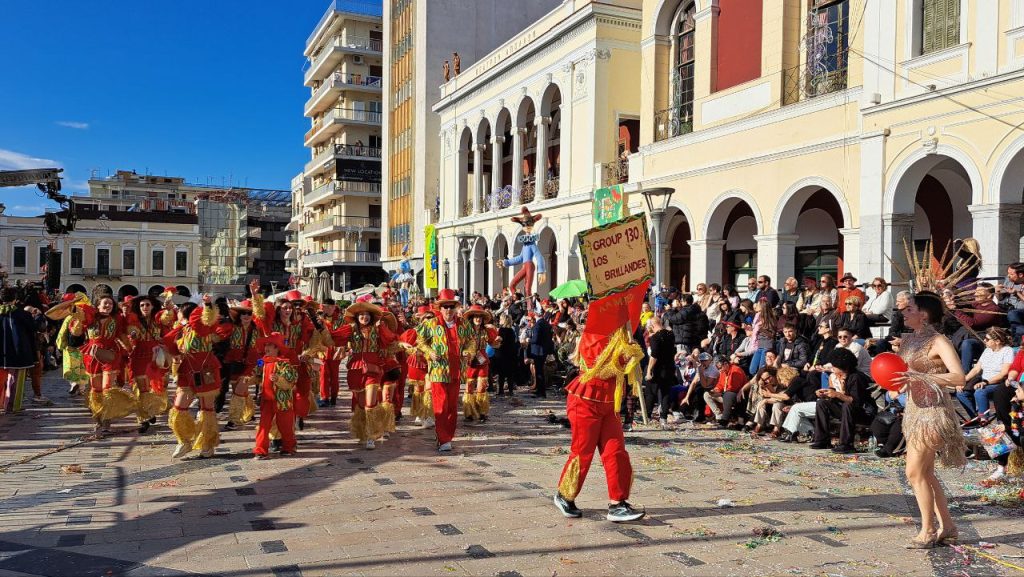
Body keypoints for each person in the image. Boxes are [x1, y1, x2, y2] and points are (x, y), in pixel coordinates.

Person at [891, 291, 967, 549]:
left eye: (909, 309)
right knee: (927, 473)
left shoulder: (938, 341)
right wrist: (897, 384)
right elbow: (904, 375)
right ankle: (948, 526)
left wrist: (921, 377)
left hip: (933, 412)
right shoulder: (908, 341)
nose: (903, 312)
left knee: (914, 472)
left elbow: (958, 378)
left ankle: (928, 530)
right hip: (913, 410)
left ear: (923, 314)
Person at [554, 326, 646, 523]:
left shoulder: (622, 332)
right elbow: (599, 366)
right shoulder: (592, 333)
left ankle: (618, 503)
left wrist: (634, 356)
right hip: (585, 401)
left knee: (616, 451)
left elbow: (627, 371)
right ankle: (565, 495)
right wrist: (626, 355)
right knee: (583, 452)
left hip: (609, 403)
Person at [165, 297, 228, 458]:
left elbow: (208, 318)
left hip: (206, 371)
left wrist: (207, 305)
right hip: (187, 371)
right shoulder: (181, 329)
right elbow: (172, 346)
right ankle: (185, 441)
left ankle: (207, 444)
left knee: (207, 409)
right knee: (179, 408)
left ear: (184, 312)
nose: (177, 313)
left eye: (179, 310)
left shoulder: (201, 327)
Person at [330, 299, 397, 449]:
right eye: (361, 315)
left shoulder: (378, 328)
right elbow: (332, 337)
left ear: (371, 316)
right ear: (356, 316)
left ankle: (371, 435)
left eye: (367, 315)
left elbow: (391, 339)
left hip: (373, 368)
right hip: (355, 369)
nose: (364, 317)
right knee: (360, 404)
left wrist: (384, 328)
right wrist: (320, 326)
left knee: (370, 402)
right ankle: (363, 432)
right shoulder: (350, 328)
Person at [416, 288, 475, 452]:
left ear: (455, 307)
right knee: (441, 407)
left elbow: (471, 341)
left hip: (456, 371)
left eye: (451, 306)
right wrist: (429, 352)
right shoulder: (431, 323)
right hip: (438, 372)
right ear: (440, 308)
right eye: (445, 306)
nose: (448, 310)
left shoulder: (463, 324)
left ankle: (447, 436)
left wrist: (468, 351)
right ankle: (443, 439)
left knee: (452, 408)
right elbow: (420, 341)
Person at [69, 292, 135, 435]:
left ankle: (107, 421)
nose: (108, 306)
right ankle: (98, 418)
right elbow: (76, 333)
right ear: (97, 305)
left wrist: (130, 349)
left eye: (110, 303)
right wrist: (78, 318)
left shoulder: (117, 319)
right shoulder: (89, 317)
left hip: (111, 354)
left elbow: (121, 335)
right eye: (105, 303)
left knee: (107, 388)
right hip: (92, 355)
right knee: (96, 390)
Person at [809, 348, 875, 454]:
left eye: (835, 366)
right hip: (846, 411)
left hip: (862, 412)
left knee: (847, 405)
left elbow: (855, 401)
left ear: (843, 366)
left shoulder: (856, 377)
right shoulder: (836, 376)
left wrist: (837, 395)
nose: (833, 368)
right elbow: (835, 394)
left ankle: (846, 443)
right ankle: (822, 439)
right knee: (822, 403)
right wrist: (826, 393)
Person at [125, 296, 171, 434]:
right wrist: (132, 334)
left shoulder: (159, 320)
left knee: (156, 386)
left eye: (147, 305)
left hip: (155, 356)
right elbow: (131, 332)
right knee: (142, 388)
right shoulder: (135, 321)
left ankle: (150, 411)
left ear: (152, 306)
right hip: (139, 356)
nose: (145, 307)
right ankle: (143, 418)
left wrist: (168, 309)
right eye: (142, 305)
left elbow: (168, 329)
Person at [252, 333, 298, 459]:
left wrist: (278, 379)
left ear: (277, 348)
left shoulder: (284, 364)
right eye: (266, 345)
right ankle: (260, 450)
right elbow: (256, 375)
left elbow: (291, 381)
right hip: (267, 400)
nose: (267, 348)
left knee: (285, 425)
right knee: (263, 425)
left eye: (270, 345)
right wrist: (249, 380)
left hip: (282, 401)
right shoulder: (262, 362)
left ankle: (289, 446)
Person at [957, 327, 1014, 419]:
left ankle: (983, 418)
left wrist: (986, 382)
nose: (984, 340)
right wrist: (962, 381)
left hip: (998, 383)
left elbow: (1003, 374)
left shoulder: (1007, 351)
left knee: (980, 392)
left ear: (997, 341)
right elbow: (976, 369)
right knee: (961, 392)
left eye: (987, 339)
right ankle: (975, 417)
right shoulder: (987, 350)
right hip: (983, 380)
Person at [223, 300, 259, 431]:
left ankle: (234, 420)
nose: (246, 315)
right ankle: (250, 412)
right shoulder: (232, 327)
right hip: (234, 363)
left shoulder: (257, 329)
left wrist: (260, 364)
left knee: (239, 391)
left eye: (249, 313)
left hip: (251, 364)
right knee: (239, 391)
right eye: (243, 313)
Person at [0, 288, 37, 414]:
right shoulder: (23, 315)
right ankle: (13, 406)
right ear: (15, 299)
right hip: (18, 353)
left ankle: (1, 404)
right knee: (16, 381)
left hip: (1, 353)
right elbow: (33, 330)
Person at [463, 305, 500, 423]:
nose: (478, 319)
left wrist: (497, 341)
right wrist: (465, 353)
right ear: (472, 318)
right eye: (475, 316)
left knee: (482, 387)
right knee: (469, 387)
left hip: (483, 360)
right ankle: (469, 412)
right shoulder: (466, 330)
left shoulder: (487, 330)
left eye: (480, 317)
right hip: (471, 361)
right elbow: (461, 345)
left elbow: (493, 344)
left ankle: (481, 412)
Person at [399, 306, 433, 425]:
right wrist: (415, 351)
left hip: (432, 363)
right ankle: (419, 414)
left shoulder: (438, 332)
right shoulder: (414, 331)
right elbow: (403, 345)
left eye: (431, 318)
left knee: (429, 390)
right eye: (426, 318)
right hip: (417, 363)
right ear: (421, 320)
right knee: (419, 390)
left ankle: (428, 415)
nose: (429, 320)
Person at [645, 316, 677, 428]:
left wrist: (649, 371)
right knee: (665, 393)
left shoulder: (655, 337)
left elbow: (654, 356)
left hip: (658, 368)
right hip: (669, 367)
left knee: (650, 391)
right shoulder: (670, 334)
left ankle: (647, 415)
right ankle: (663, 417)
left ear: (652, 326)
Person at [704, 355, 747, 428]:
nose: (719, 370)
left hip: (738, 396)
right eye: (717, 368)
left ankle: (725, 420)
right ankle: (718, 415)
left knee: (728, 395)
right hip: (726, 394)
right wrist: (715, 390)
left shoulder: (736, 370)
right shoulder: (723, 372)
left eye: (720, 368)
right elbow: (720, 384)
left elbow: (734, 388)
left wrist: (720, 393)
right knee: (707, 394)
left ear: (725, 364)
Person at [492, 313, 520, 398]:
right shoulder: (512, 330)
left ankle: (501, 391)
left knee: (501, 374)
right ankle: (511, 391)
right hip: (511, 354)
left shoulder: (502, 330)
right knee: (510, 374)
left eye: (501, 319)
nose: (499, 320)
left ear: (504, 320)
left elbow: (500, 339)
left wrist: (493, 340)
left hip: (502, 354)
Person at [529, 311, 555, 398]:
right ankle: (540, 391)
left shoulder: (538, 325)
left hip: (538, 351)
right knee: (540, 371)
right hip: (544, 350)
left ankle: (540, 392)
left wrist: (528, 340)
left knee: (539, 372)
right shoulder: (546, 324)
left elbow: (535, 339)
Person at [997, 262, 1024, 341]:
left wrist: (1017, 293)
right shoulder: (1008, 280)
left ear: (1021, 275)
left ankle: (1016, 341)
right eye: (1008, 273)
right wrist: (998, 293)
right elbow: (1001, 299)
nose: (1008, 276)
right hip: (1007, 307)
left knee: (1013, 314)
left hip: (1020, 311)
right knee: (993, 309)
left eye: (1011, 274)